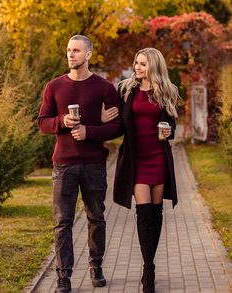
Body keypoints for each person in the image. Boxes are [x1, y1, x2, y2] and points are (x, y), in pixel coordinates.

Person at [38, 34, 122, 293]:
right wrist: (62, 121)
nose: (70, 54)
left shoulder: (104, 88)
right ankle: (63, 275)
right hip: (63, 165)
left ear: (88, 55)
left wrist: (90, 132)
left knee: (96, 217)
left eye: (76, 50)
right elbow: (43, 122)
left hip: (94, 164)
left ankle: (96, 266)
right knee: (62, 222)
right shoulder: (54, 86)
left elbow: (118, 126)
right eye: (68, 50)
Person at [102, 48, 179, 293]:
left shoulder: (166, 91)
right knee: (144, 213)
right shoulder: (126, 90)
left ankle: (150, 263)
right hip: (136, 160)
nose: (137, 67)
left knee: (156, 214)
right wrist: (101, 123)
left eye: (143, 64)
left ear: (153, 66)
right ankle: (148, 268)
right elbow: (118, 124)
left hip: (158, 157)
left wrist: (169, 130)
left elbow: (172, 124)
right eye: (136, 63)